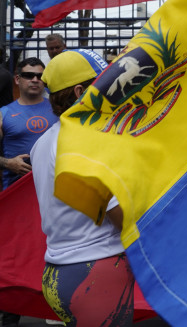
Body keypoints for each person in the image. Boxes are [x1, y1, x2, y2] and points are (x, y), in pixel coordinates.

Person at [31, 49, 135, 326]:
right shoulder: (84, 144)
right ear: (80, 92)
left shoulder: (44, 141)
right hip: (95, 272)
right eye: (103, 83)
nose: (113, 90)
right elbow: (122, 217)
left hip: (60, 270)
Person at [0, 58, 59, 190]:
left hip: (55, 190)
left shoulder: (59, 109)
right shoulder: (3, 114)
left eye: (40, 76)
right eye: (28, 75)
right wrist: (8, 163)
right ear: (17, 79)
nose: (34, 79)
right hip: (17, 191)